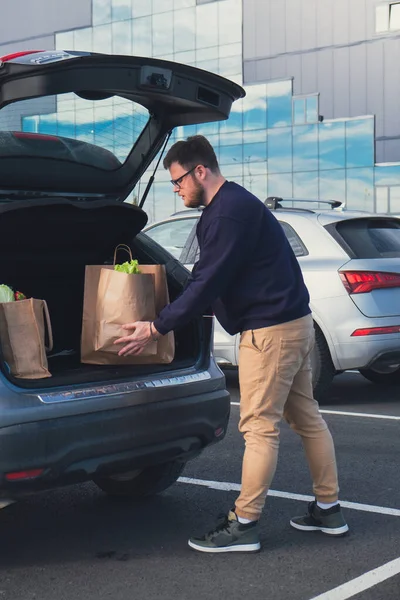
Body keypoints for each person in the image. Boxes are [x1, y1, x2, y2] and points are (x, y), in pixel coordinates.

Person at [115, 135, 349, 553]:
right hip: (294, 324)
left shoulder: (226, 215)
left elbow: (207, 281)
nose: (177, 190)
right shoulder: (237, 204)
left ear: (199, 170)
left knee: (259, 429)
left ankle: (244, 524)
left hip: (270, 333)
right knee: (307, 419)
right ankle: (328, 509)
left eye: (178, 181)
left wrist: (156, 327)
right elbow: (211, 276)